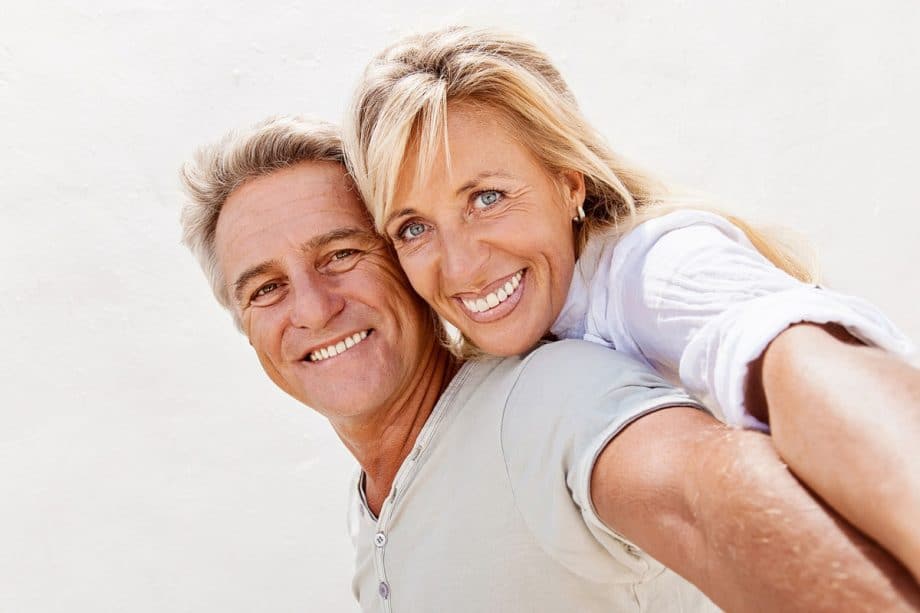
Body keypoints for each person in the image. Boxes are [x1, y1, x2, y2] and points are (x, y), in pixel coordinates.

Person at [179, 115, 920, 612]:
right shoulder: (377, 506)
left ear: (404, 265)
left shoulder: (543, 402)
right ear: (246, 326)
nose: (311, 307)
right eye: (266, 287)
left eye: (340, 254)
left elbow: (711, 501)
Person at [345, 26, 920, 582]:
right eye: (415, 227)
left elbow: (798, 353)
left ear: (570, 183)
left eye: (487, 197)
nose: (463, 265)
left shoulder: (652, 267)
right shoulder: (492, 377)